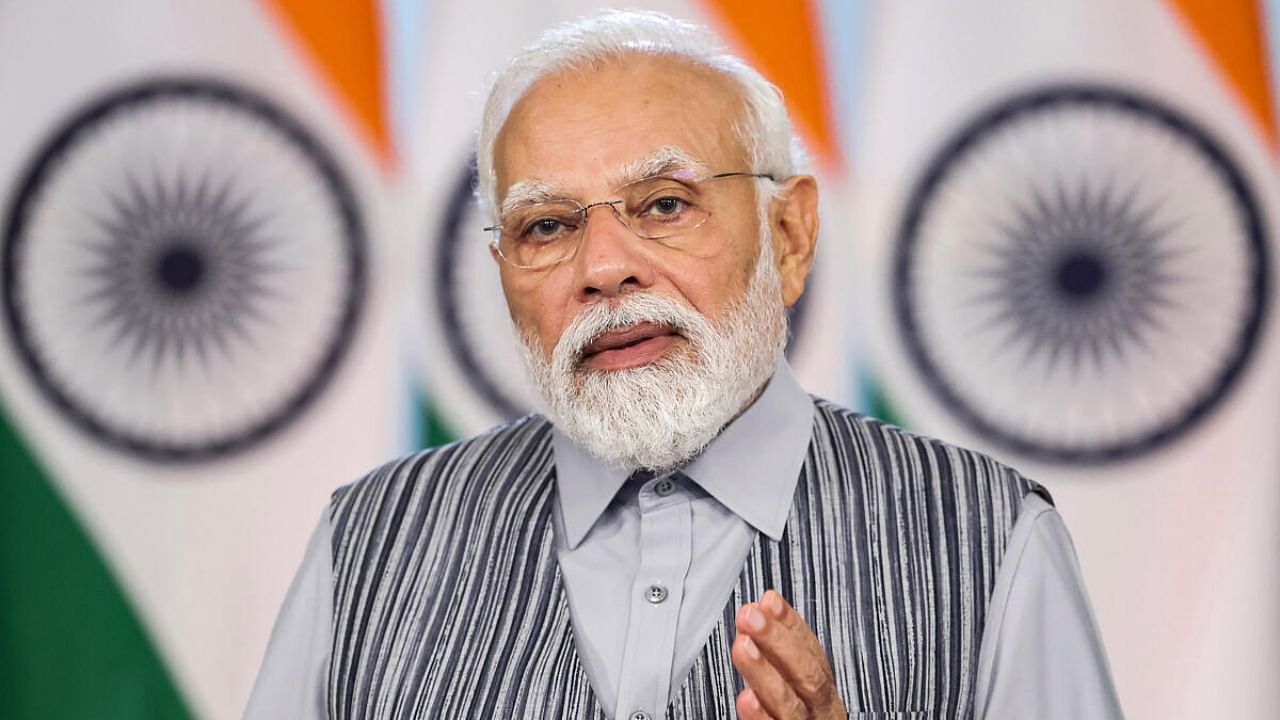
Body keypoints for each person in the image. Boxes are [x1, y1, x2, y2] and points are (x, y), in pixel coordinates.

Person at [245, 10, 1123, 720]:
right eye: (547, 226)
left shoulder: (987, 538)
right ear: (504, 271)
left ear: (789, 235)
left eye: (664, 205)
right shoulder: (368, 546)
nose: (603, 269)